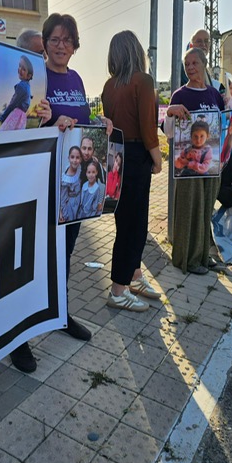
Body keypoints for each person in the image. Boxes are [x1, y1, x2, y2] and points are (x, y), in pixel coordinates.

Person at [42, 12, 112, 339]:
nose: (61, 46)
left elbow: (82, 121)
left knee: (66, 249)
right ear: (45, 43)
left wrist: (100, 123)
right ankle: (31, 319)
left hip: (73, 181)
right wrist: (48, 123)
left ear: (74, 46)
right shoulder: (38, 77)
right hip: (43, 180)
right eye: (55, 39)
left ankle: (60, 313)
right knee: (42, 250)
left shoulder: (76, 79)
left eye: (67, 40)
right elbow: (21, 124)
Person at [102, 30, 162, 311]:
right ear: (136, 51)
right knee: (134, 226)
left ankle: (134, 275)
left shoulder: (108, 86)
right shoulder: (143, 81)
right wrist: (157, 159)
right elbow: (148, 128)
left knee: (124, 221)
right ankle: (118, 290)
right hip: (137, 156)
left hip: (115, 156)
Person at [8, 29, 51, 373]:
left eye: (44, 53)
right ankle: (12, 340)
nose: (44, 59)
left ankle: (21, 333)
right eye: (38, 53)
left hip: (32, 187)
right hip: (5, 189)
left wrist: (46, 120)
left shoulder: (41, 91)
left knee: (26, 262)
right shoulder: (12, 84)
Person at [166, 47, 225, 275]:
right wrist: (170, 112)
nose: (190, 68)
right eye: (187, 64)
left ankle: (203, 255)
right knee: (188, 211)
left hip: (211, 164)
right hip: (189, 167)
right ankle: (187, 260)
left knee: (205, 210)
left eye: (194, 63)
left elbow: (222, 125)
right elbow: (169, 132)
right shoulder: (180, 95)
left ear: (204, 64)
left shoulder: (214, 95)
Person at [0, 54, 33, 130]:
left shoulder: (21, 86)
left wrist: (3, 117)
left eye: (23, 69)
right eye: (19, 66)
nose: (20, 69)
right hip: (22, 117)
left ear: (29, 76)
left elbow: (13, 103)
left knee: (4, 133)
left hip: (16, 115)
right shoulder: (27, 86)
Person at [60, 145, 83, 223]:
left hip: (79, 202)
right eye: (72, 157)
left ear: (80, 159)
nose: (75, 160)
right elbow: (63, 200)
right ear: (68, 158)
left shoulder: (79, 168)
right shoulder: (65, 179)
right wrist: (64, 214)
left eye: (77, 157)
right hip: (71, 206)